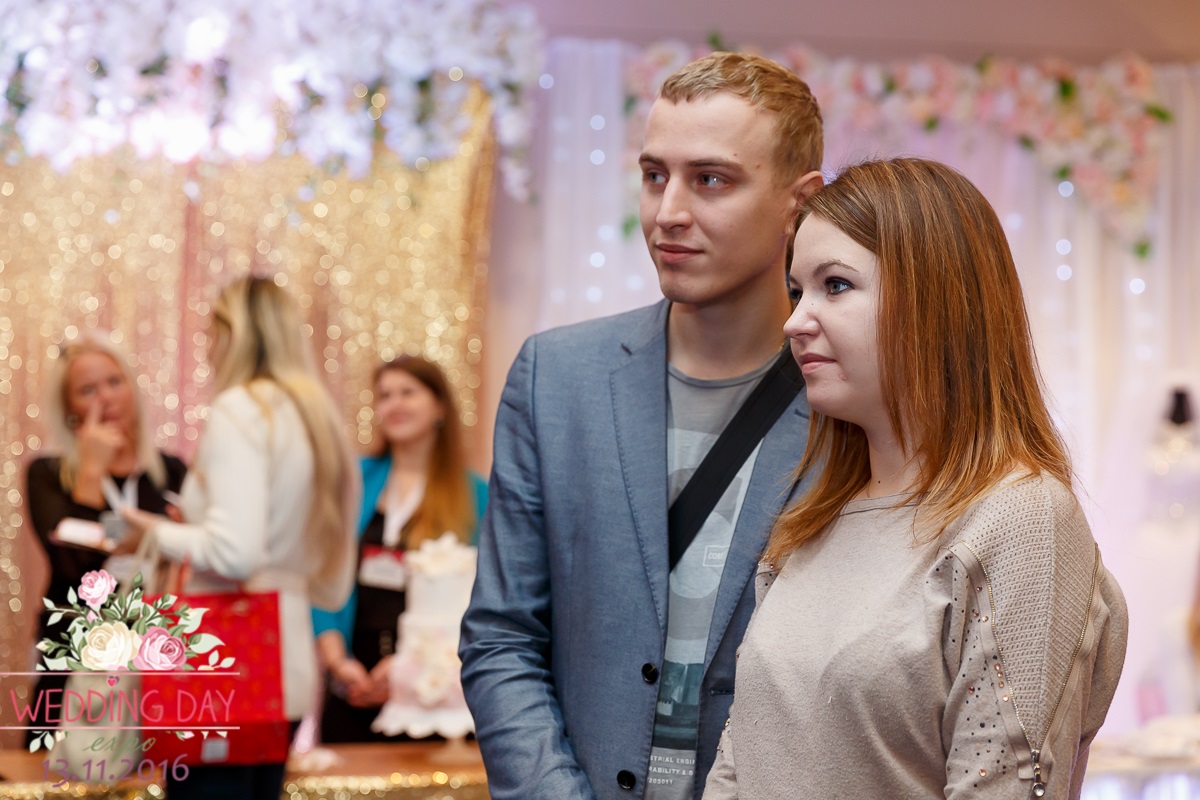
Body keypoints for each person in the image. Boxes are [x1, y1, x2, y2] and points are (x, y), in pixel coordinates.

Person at [702, 158, 1128, 800]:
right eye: (797, 291)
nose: (794, 321)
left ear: (937, 301)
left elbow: (999, 787)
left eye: (835, 285)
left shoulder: (1021, 520)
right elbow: (741, 764)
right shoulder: (811, 521)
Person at [460, 52, 824, 800]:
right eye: (655, 175)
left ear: (799, 203)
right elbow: (502, 636)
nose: (668, 212)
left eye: (711, 179)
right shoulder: (557, 377)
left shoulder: (849, 399)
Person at [119, 275, 358, 800]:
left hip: (224, 662)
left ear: (234, 334)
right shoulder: (316, 416)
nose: (207, 349)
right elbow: (334, 576)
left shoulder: (242, 410)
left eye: (211, 333)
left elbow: (236, 552)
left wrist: (158, 533)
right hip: (286, 661)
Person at [314, 355, 488, 743]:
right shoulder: (353, 480)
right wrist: (338, 663)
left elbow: (482, 603)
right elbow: (321, 574)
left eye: (408, 392)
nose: (395, 404)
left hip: (432, 692)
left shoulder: (475, 494)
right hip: (353, 684)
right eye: (385, 395)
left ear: (439, 406)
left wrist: (408, 667)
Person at [24, 330, 187, 743]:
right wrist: (92, 471)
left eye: (115, 382)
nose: (105, 399)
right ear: (69, 409)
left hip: (154, 657)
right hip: (74, 658)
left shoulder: (170, 472)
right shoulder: (47, 475)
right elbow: (74, 568)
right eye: (87, 390)